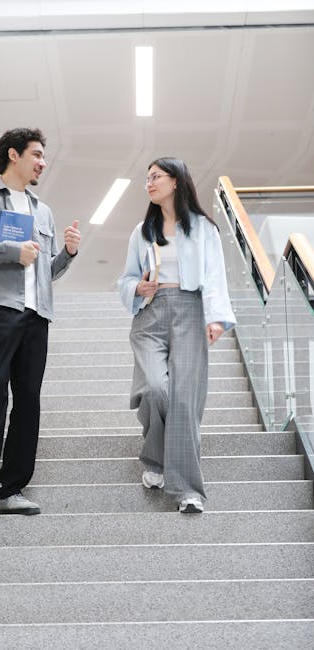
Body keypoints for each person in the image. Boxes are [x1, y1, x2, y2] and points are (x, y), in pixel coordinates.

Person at [0, 128, 81, 522]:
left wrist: (68, 253)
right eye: (36, 154)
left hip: (36, 313)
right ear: (13, 154)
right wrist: (12, 251)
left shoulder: (44, 211)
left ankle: (12, 489)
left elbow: (45, 271)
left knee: (28, 401)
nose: (43, 162)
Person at [118, 157, 235, 513]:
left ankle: (187, 490)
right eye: (147, 178)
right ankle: (157, 458)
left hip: (191, 310)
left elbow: (214, 275)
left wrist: (216, 318)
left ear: (176, 181)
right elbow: (126, 278)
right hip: (150, 314)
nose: (149, 183)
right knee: (155, 388)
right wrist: (136, 287)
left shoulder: (203, 229)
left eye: (155, 176)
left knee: (184, 401)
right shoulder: (142, 231)